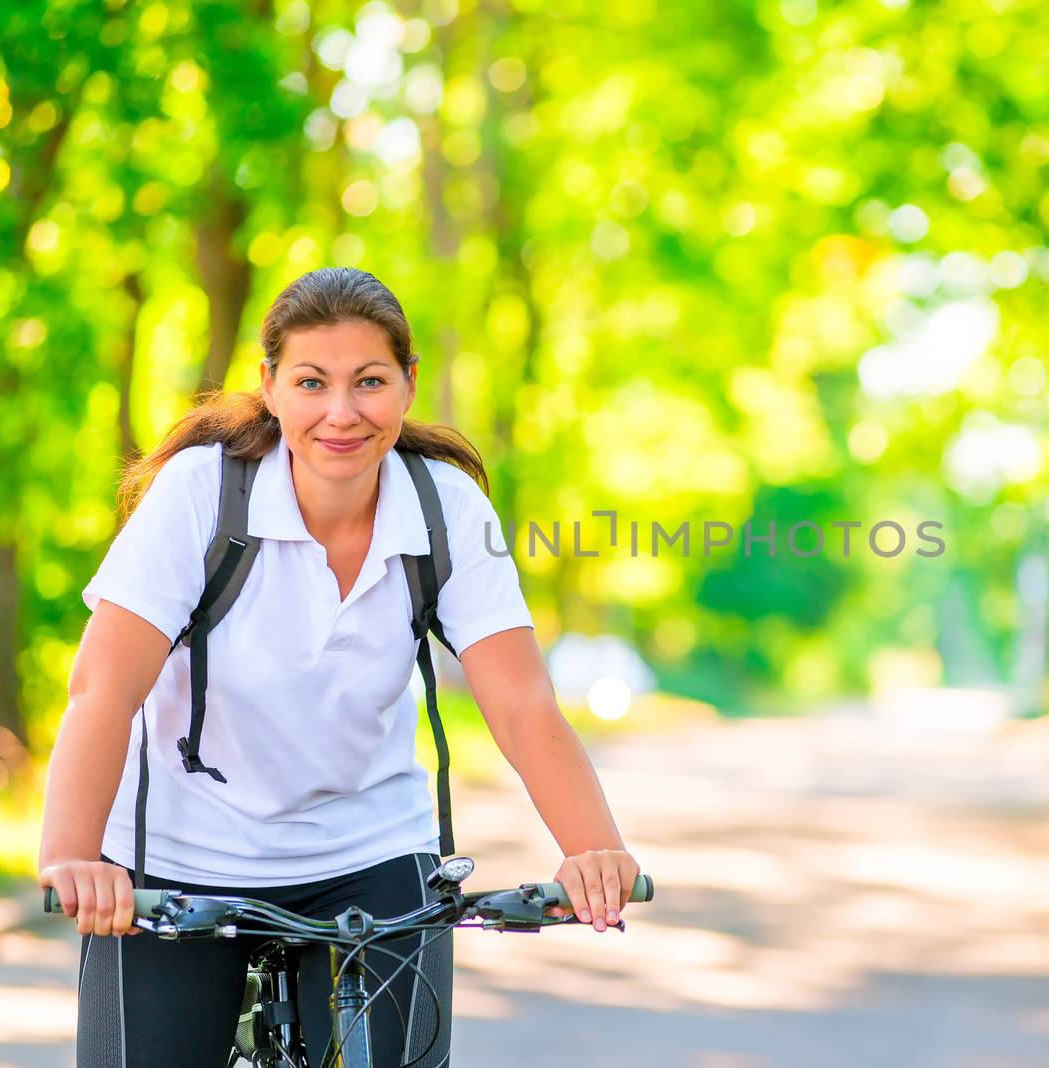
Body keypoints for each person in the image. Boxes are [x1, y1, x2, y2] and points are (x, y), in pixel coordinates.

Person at [38, 267, 640, 1067]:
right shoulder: (200, 496)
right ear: (271, 386)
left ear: (408, 385)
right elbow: (104, 689)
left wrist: (593, 848)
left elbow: (524, 705)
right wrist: (76, 856)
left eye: (370, 381)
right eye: (312, 382)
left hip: (370, 853)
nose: (342, 412)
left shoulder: (446, 510)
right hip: (181, 856)